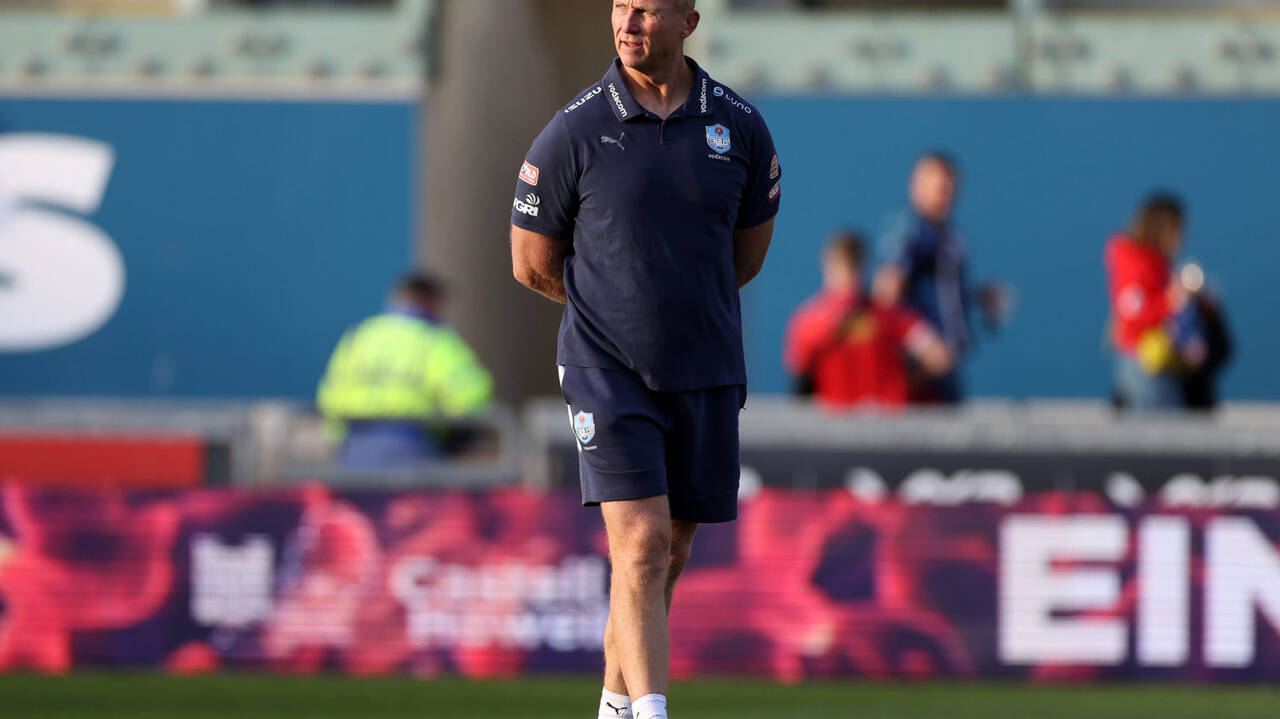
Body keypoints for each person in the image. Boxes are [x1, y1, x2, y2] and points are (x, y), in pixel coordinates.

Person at [509, 2, 780, 717]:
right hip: (605, 369)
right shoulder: (574, 130)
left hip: (706, 366)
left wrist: (678, 308)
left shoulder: (740, 126)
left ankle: (613, 704)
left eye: (646, 9)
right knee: (640, 545)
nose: (627, 22)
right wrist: (613, 308)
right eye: (619, 6)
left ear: (688, 21)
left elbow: (745, 256)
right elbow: (530, 262)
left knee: (665, 555)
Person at [316, 272, 493, 470]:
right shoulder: (434, 340)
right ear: (431, 302)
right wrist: (451, 439)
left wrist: (340, 440)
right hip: (413, 450)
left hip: (355, 450)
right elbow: (471, 396)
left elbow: (330, 395)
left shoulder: (361, 335)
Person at [873, 152, 1004, 404]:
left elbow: (942, 290)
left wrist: (978, 297)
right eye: (937, 185)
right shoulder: (910, 231)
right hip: (917, 366)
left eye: (949, 186)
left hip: (947, 364)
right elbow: (886, 293)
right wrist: (920, 339)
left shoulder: (950, 235)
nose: (944, 193)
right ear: (916, 186)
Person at [785, 230, 951, 408]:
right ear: (863, 265)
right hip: (887, 417)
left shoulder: (807, 320)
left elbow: (799, 379)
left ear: (827, 265)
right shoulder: (888, 312)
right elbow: (940, 357)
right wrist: (897, 383)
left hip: (837, 420)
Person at [1104, 194, 1205, 411]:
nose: (1181, 240)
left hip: (1159, 356)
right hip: (1141, 359)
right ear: (1161, 230)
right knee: (1157, 424)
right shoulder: (1136, 263)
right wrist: (1171, 299)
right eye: (1177, 232)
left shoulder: (1156, 263)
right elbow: (1132, 310)